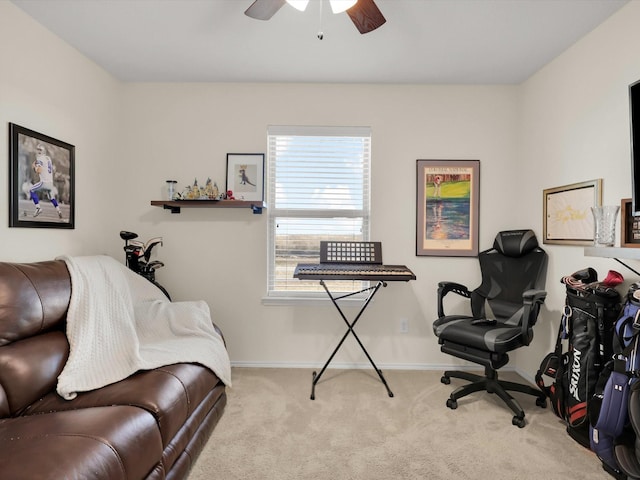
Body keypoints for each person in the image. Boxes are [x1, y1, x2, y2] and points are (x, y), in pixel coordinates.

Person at [30, 144, 62, 219]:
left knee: (31, 190)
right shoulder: (48, 158)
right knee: (51, 197)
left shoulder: (40, 158)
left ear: (43, 151)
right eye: (38, 149)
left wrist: (34, 168)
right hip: (51, 184)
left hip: (44, 183)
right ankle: (58, 210)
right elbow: (51, 169)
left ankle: (38, 208)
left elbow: (39, 170)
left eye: (40, 150)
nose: (38, 151)